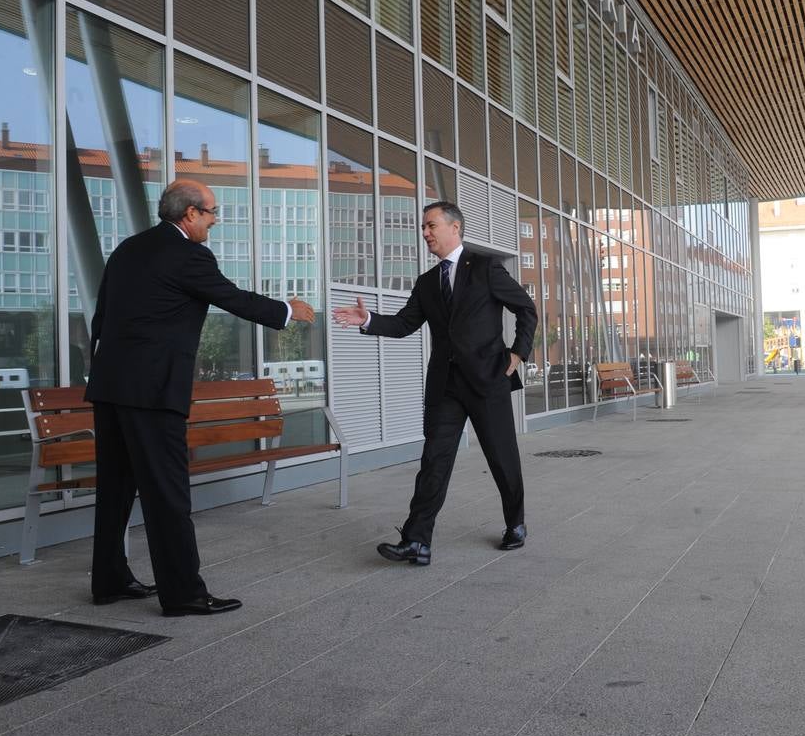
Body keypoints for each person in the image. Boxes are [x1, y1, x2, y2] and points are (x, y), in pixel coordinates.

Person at [85, 179, 315, 616]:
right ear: (189, 214)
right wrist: (287, 310)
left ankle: (109, 580)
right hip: (152, 391)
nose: (214, 220)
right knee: (167, 494)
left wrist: (105, 373)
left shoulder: (128, 250)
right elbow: (231, 297)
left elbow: (102, 317)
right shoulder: (188, 254)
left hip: (111, 386)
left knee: (114, 490)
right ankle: (184, 593)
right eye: (211, 212)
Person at [332, 201, 536, 567]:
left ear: (454, 228)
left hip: (488, 380)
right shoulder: (427, 283)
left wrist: (518, 353)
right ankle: (416, 541)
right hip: (446, 386)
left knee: (502, 458)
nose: (425, 233)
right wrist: (368, 320)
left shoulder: (486, 267)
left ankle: (515, 523)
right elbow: (403, 324)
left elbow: (526, 308)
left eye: (431, 225)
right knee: (434, 461)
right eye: (423, 227)